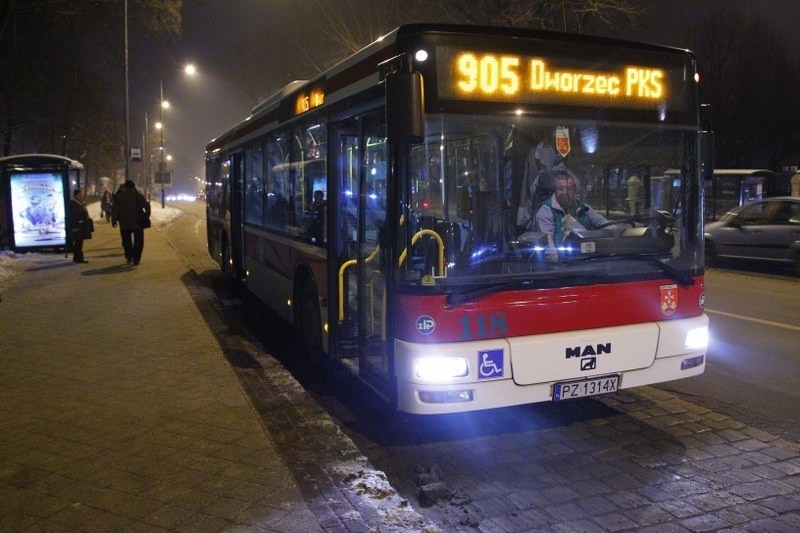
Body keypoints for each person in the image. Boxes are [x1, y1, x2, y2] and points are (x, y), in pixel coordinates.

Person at [535, 170, 609, 248]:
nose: (565, 192)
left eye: (569, 189)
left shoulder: (583, 207)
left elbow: (601, 222)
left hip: (588, 254)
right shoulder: (546, 210)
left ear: (574, 191)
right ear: (555, 191)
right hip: (563, 258)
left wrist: (617, 232)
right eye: (560, 189)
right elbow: (548, 246)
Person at [112, 180, 150, 265]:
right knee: (138, 241)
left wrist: (114, 220)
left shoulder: (120, 197)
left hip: (124, 223)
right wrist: (146, 216)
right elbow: (147, 206)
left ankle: (129, 256)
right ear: (133, 186)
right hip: (137, 222)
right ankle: (136, 258)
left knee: (126, 241)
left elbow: (115, 209)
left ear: (125, 187)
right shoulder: (138, 196)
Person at [68, 188, 93, 263]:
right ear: (76, 195)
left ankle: (77, 258)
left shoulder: (79, 203)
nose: (81, 196)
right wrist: (76, 225)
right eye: (80, 195)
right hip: (77, 227)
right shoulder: (74, 204)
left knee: (79, 242)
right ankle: (79, 258)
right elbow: (73, 216)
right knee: (78, 243)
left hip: (80, 226)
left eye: (81, 195)